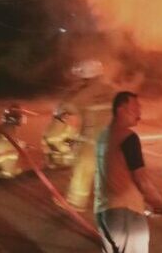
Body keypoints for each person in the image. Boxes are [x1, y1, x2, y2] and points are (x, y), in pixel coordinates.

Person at [94, 91, 162, 253]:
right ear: (120, 110)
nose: (139, 112)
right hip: (126, 214)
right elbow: (142, 181)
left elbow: (113, 173)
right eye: (135, 108)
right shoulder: (128, 138)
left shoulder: (103, 136)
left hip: (104, 213)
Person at [56, 59, 115, 210]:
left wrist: (70, 94)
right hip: (112, 138)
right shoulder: (110, 89)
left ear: (86, 76)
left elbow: (66, 108)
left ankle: (76, 202)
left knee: (83, 170)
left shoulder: (85, 92)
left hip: (91, 140)